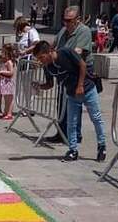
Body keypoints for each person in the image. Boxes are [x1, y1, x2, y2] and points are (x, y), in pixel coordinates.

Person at [32, 29, 106, 164]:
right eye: (39, 59)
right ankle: (73, 150)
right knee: (71, 122)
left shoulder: (65, 52)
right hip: (71, 93)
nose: (41, 61)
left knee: (96, 118)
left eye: (42, 57)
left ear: (49, 51)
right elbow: (50, 84)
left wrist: (80, 85)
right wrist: (40, 86)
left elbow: (82, 65)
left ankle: (102, 146)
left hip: (87, 89)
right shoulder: (47, 66)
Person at [0, 42, 16, 120]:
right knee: (5, 98)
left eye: (3, 52)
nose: (2, 53)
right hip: (4, 82)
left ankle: (9, 113)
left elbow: (11, 72)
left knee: (9, 99)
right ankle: (5, 111)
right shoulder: (4, 61)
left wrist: (1, 72)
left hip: (8, 83)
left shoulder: (9, 62)